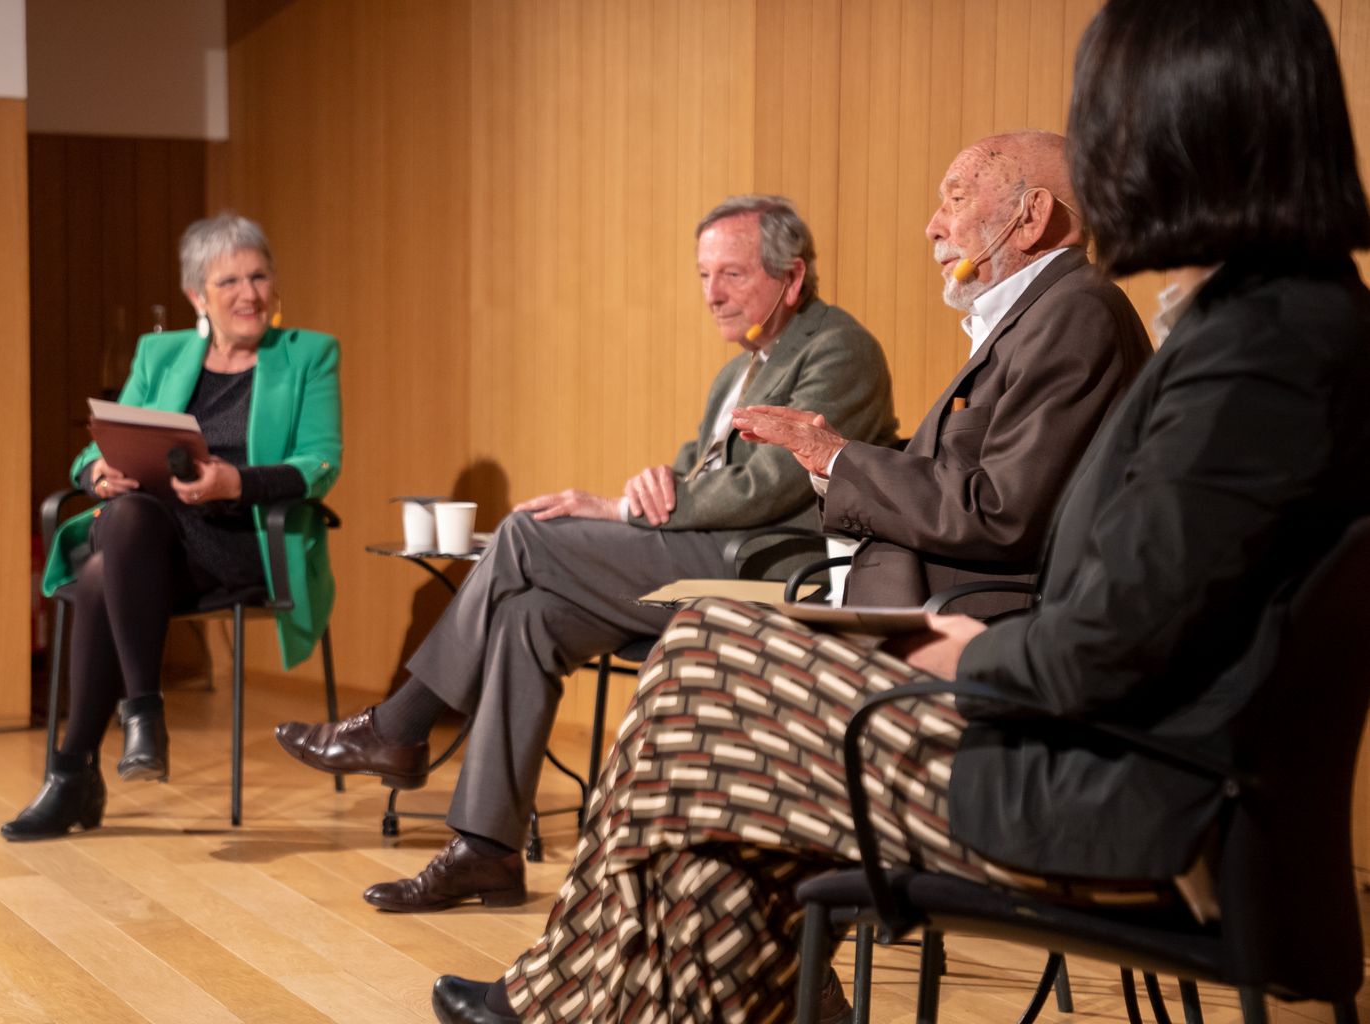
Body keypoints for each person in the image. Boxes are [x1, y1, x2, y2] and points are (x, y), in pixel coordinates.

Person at [430, 0, 1370, 1020]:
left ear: (1196, 124)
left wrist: (965, 652)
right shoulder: (1274, 321)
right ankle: (604, 1004)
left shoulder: (1259, 353)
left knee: (697, 687)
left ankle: (565, 1004)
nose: (1100, 159)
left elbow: (1109, 638)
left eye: (1108, 118)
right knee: (704, 679)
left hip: (1124, 794)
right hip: (1108, 753)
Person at [276, 195, 899, 912]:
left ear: (790, 279)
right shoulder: (736, 372)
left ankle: (400, 727)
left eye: (730, 274)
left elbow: (773, 483)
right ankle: (486, 851)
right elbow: (695, 477)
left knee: (524, 533)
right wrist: (653, 484)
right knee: (529, 616)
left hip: (772, 576)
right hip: (702, 558)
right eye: (702, 275)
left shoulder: (839, 348)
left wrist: (626, 508)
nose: (711, 294)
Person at [2, 213, 342, 841]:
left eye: (259, 276)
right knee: (125, 519)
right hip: (153, 548)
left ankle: (79, 767)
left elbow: (320, 463)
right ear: (197, 297)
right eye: (230, 281)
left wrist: (234, 483)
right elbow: (99, 443)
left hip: (245, 545)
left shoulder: (309, 355)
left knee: (105, 567)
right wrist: (96, 473)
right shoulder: (160, 354)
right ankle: (134, 720)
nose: (249, 294)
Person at [735, 130, 1150, 616]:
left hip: (968, 628)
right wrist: (834, 458)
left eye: (956, 200)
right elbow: (962, 476)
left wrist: (838, 458)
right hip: (915, 606)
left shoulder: (1075, 312)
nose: (933, 227)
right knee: (698, 643)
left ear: (1032, 216)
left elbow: (1001, 511)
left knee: (701, 647)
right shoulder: (1040, 314)